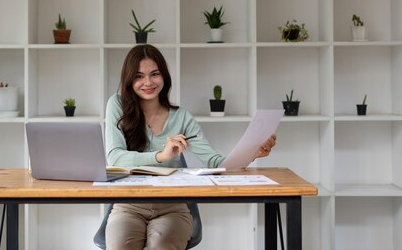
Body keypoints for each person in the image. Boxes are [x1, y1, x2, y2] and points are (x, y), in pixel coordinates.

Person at [104, 44, 277, 250]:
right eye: (139, 76)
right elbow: (114, 158)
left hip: (172, 207)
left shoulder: (182, 117)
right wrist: (161, 155)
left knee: (161, 245)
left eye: (154, 74)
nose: (148, 82)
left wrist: (251, 153)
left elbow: (216, 162)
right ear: (129, 79)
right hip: (128, 206)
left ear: (164, 77)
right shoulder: (117, 105)